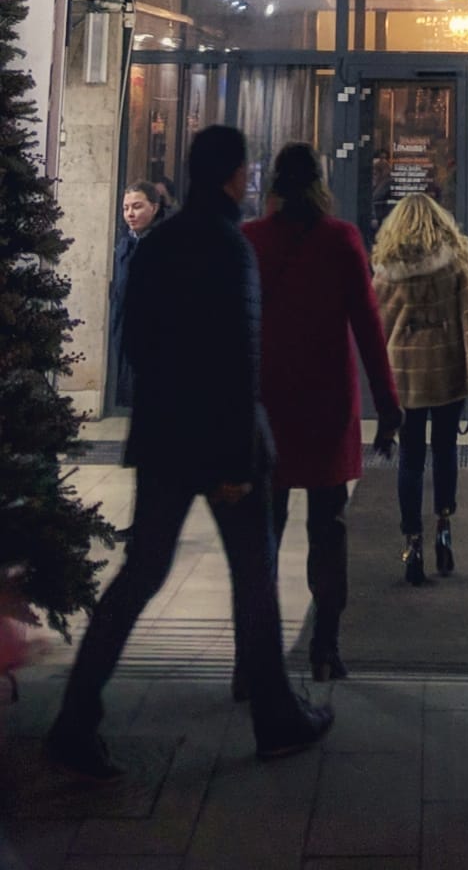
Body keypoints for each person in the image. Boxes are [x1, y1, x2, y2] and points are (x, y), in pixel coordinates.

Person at [47, 126, 333, 780]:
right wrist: (234, 462)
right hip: (222, 440)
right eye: (245, 170)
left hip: (164, 438)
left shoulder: (160, 244)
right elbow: (238, 360)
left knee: (141, 574)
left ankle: (75, 717)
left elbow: (136, 344)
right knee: (254, 576)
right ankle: (275, 717)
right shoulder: (230, 248)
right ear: (234, 176)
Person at [241, 142, 402, 683]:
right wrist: (388, 405)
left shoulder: (251, 239)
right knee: (328, 530)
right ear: (320, 184)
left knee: (263, 532)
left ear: (274, 185)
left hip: (266, 405)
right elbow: (368, 327)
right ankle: (325, 649)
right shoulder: (341, 239)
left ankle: (254, 658)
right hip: (326, 404)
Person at [371, 193, 468, 585]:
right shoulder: (459, 262)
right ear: (440, 222)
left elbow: (376, 324)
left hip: (406, 377)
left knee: (410, 457)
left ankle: (412, 543)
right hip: (449, 370)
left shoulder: (386, 270)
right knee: (446, 448)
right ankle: (444, 526)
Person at [110, 180, 164, 408]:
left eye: (137, 206)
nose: (130, 214)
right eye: (126, 208)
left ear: (154, 207)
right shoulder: (123, 243)